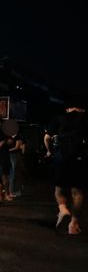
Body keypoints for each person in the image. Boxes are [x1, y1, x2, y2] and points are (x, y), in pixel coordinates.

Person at [45, 98, 87, 235]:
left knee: (59, 189)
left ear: (68, 108)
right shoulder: (85, 118)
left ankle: (63, 209)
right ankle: (73, 224)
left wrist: (50, 151)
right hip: (80, 158)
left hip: (61, 157)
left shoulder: (59, 118)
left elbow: (46, 137)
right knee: (78, 192)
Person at [8, 132, 24, 197]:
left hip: (15, 155)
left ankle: (15, 191)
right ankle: (11, 191)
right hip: (10, 155)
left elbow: (17, 147)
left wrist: (7, 150)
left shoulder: (18, 136)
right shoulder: (8, 136)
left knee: (15, 173)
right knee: (11, 174)